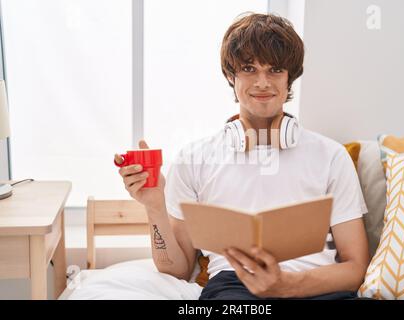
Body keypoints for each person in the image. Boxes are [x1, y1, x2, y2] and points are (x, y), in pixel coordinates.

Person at [114, 13, 369, 300]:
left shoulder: (331, 156)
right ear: (230, 75)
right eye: (249, 68)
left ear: (290, 78)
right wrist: (155, 206)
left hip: (315, 286)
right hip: (234, 289)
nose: (262, 82)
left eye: (274, 70)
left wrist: (287, 284)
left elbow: (355, 267)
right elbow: (177, 269)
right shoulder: (194, 159)